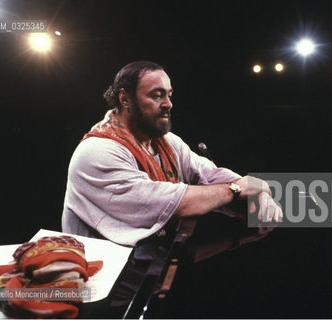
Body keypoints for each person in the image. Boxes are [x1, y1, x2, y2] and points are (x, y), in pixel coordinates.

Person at [61, 60, 282, 247]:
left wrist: (257, 189)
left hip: (147, 279)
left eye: (169, 95)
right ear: (125, 99)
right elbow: (171, 202)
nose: (168, 104)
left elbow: (209, 175)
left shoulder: (167, 142)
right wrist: (237, 189)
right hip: (100, 289)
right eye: (157, 96)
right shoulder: (98, 151)